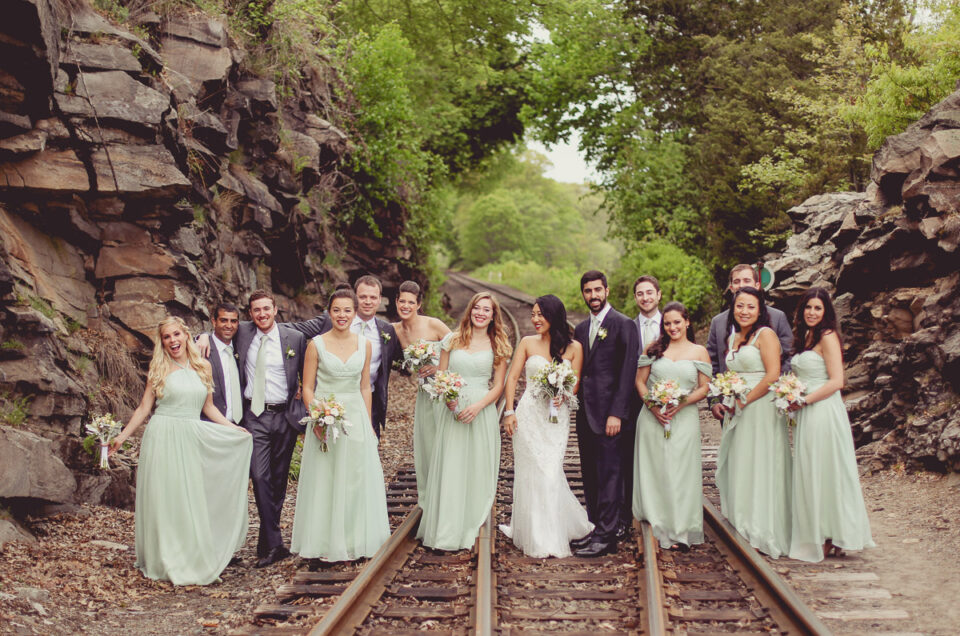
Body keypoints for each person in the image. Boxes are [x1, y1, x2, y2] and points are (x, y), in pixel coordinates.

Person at [110, 317, 252, 585]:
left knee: (190, 496)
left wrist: (233, 428)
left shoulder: (204, 367)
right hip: (163, 435)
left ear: (186, 336)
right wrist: (121, 437)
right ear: (162, 342)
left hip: (191, 435)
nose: (173, 341)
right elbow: (144, 408)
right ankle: (164, 557)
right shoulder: (159, 368)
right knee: (166, 497)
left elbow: (208, 408)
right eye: (167, 337)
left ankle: (190, 554)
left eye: (177, 334)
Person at [291, 288, 390, 561]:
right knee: (327, 477)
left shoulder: (365, 344)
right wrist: (319, 416)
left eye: (347, 310)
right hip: (326, 414)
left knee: (356, 477)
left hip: (355, 414)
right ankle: (325, 540)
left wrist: (369, 422)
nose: (342, 315)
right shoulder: (316, 345)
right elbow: (308, 388)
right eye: (337, 310)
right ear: (329, 312)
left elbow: (365, 387)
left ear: (355, 313)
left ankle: (354, 538)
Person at [499, 295, 593, 557]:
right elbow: (513, 377)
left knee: (550, 470)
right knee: (532, 470)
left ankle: (552, 531)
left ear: (554, 316)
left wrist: (562, 393)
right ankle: (534, 534)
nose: (535, 319)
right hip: (529, 415)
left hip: (556, 417)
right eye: (533, 314)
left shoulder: (574, 348)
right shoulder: (528, 342)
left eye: (541, 314)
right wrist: (509, 411)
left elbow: (574, 385)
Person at [417, 292, 510, 551]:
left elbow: (498, 386)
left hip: (481, 409)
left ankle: (471, 523)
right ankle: (446, 530)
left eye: (486, 310)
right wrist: (449, 398)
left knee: (476, 466)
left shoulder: (498, 344)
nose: (481, 313)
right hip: (453, 408)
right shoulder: (452, 340)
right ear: (470, 311)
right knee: (451, 464)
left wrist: (479, 406)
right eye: (477, 308)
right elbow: (442, 374)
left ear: (493, 316)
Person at [788, 288, 874, 562]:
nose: (812, 312)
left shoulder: (827, 337)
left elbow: (838, 381)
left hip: (823, 410)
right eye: (808, 308)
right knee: (813, 469)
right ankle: (821, 532)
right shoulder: (805, 337)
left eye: (818, 308)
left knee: (825, 469)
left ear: (826, 313)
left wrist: (805, 400)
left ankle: (830, 534)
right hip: (807, 411)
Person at [715, 287, 792, 558]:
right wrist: (729, 396)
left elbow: (772, 374)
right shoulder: (734, 335)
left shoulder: (766, 335)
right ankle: (743, 523)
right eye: (739, 306)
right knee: (742, 462)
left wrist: (745, 399)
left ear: (760, 310)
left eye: (750, 306)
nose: (744, 311)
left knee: (760, 464)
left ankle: (761, 527)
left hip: (760, 408)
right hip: (738, 408)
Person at [235, 290, 309, 568]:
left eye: (267, 309)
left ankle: (267, 542)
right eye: (256, 310)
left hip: (285, 415)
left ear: (276, 310)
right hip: (254, 416)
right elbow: (216, 331)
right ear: (250, 314)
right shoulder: (242, 333)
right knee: (259, 475)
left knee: (278, 481)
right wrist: (202, 337)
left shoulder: (295, 338)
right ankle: (276, 543)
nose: (262, 314)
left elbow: (307, 370)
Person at [571, 271, 639, 557]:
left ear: (607, 291)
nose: (593, 296)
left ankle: (607, 537)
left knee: (611, 475)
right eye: (588, 291)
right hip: (586, 413)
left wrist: (617, 414)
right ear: (583, 294)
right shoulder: (580, 328)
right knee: (590, 474)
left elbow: (627, 373)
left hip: (610, 416)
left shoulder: (623, 325)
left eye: (598, 290)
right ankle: (596, 527)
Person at [633, 302, 711, 550]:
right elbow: (640, 382)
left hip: (684, 418)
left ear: (687, 322)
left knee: (680, 471)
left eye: (677, 322)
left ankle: (681, 528)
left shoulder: (699, 352)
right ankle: (656, 522)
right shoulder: (653, 349)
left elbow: (704, 387)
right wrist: (653, 407)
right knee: (657, 469)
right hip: (653, 419)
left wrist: (683, 401)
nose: (672, 327)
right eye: (667, 323)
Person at [282, 276, 401, 439]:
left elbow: (403, 354)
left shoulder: (387, 331)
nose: (368, 301)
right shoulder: (332, 319)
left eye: (373, 297)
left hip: (368, 401)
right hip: (329, 403)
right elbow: (295, 331)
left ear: (380, 299)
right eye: (363, 297)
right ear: (355, 298)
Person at [707, 264, 793, 421]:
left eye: (746, 280)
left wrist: (781, 394)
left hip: (767, 401)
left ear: (757, 285)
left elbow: (787, 358)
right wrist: (714, 400)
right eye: (737, 281)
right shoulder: (718, 322)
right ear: (731, 286)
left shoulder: (777, 317)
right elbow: (712, 365)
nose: (741, 285)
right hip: (729, 403)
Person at [391, 280, 451, 503]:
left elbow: (460, 349)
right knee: (427, 443)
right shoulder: (395, 331)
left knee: (445, 441)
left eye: (411, 302)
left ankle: (447, 492)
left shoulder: (433, 325)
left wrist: (438, 367)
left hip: (444, 390)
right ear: (396, 302)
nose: (406, 306)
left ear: (418, 304)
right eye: (402, 301)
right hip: (424, 394)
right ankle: (431, 495)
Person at [202, 302, 243, 425]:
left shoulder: (242, 347)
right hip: (209, 424)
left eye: (233, 321)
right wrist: (204, 336)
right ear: (214, 322)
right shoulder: (202, 348)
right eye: (224, 320)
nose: (229, 325)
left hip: (240, 425)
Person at [634, 275, 663, 354]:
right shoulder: (629, 328)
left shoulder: (671, 326)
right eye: (640, 294)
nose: (645, 298)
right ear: (635, 298)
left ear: (659, 295)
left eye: (649, 293)